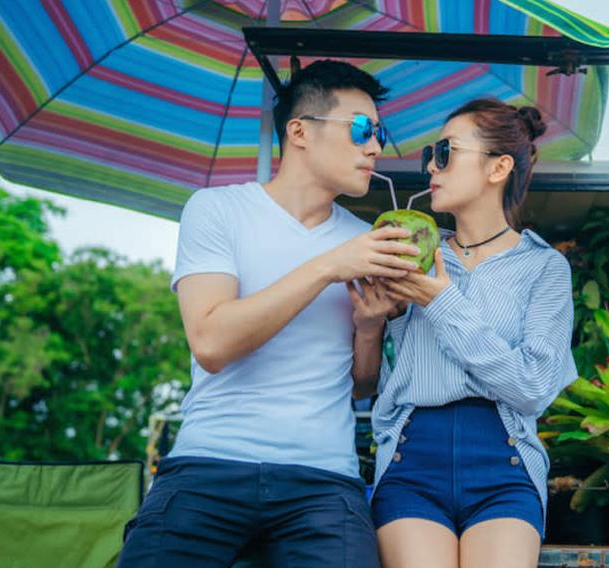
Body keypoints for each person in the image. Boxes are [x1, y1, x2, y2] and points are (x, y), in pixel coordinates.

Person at [117, 60, 420, 567]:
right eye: (363, 129)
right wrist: (327, 267)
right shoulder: (216, 210)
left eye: (380, 134)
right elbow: (212, 344)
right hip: (209, 463)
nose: (375, 148)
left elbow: (361, 386)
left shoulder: (363, 241)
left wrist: (369, 328)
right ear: (299, 131)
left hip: (324, 479)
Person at [370, 98, 578, 568]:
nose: (431, 166)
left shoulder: (544, 268)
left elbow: (532, 387)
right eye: (430, 154)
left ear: (498, 167)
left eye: (445, 152)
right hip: (412, 457)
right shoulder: (411, 254)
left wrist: (439, 300)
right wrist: (374, 321)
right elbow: (385, 381)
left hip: (502, 462)